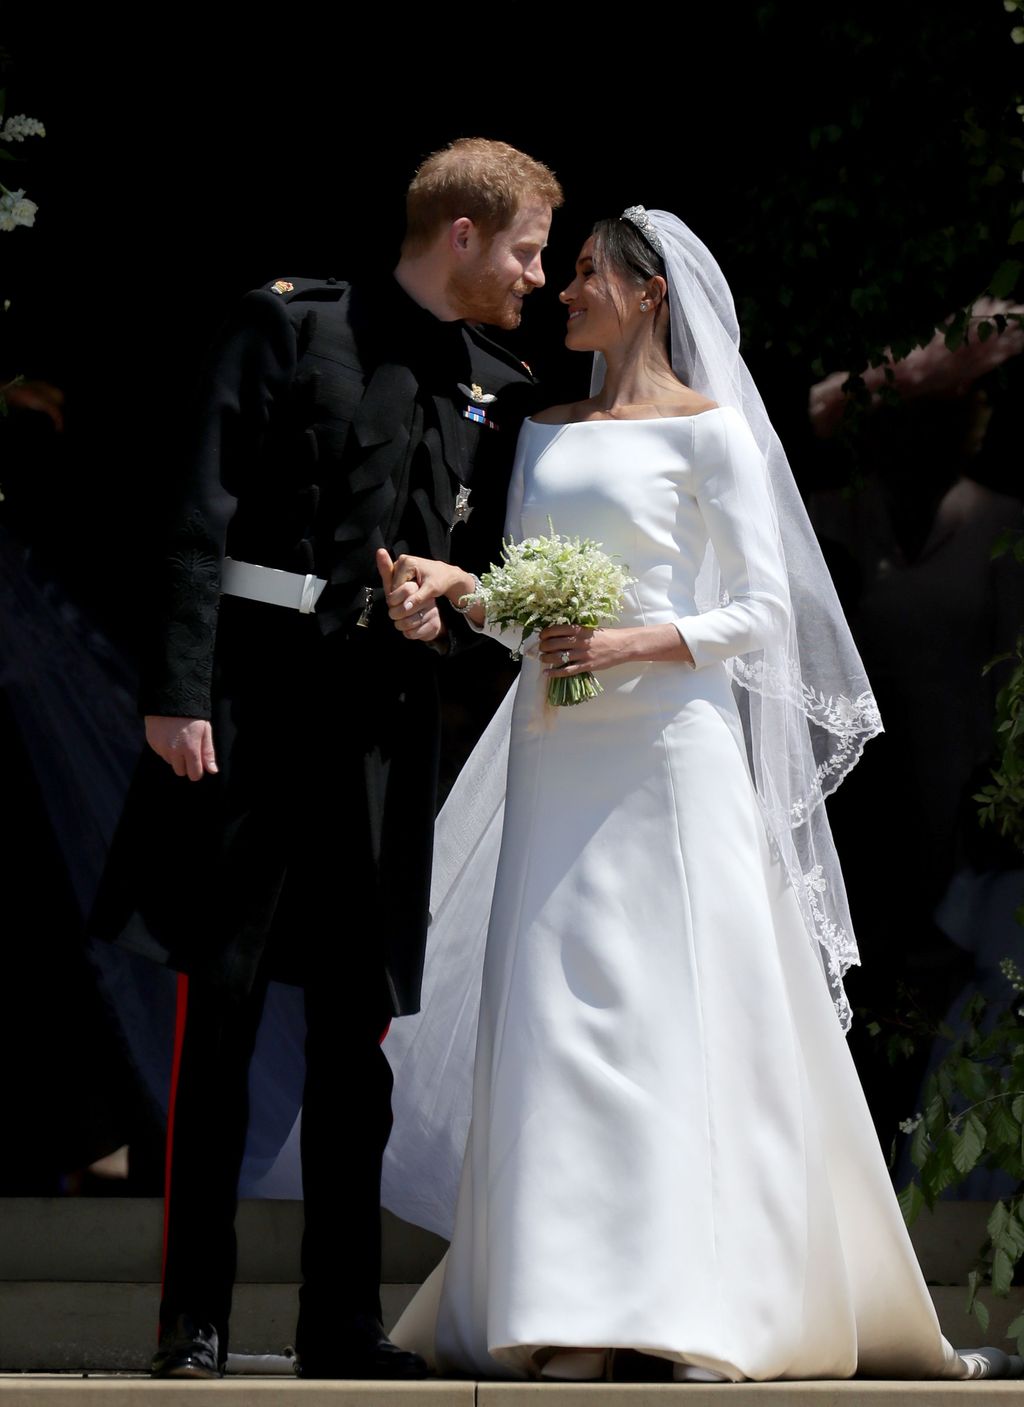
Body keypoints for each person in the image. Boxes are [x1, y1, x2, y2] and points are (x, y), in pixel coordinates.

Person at [373, 208, 1023, 1382]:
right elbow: (530, 606)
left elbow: (762, 615)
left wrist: (631, 644)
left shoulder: (714, 435)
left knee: (676, 1010)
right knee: (558, 1014)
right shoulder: (540, 435)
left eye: (583, 275)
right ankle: (558, 1304)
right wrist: (465, 590)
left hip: (670, 751)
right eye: (562, 271)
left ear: (648, 293)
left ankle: (693, 1302)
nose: (563, 291)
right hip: (554, 747)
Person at [88, 138, 563, 1380]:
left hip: (381, 732)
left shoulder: (490, 380)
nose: (537, 278)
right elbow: (196, 508)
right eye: (524, 249)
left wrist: (440, 618)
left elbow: (470, 566)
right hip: (249, 714)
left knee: (360, 1035)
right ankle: (192, 1317)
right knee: (225, 1019)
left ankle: (338, 1325)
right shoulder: (290, 326)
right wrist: (178, 691)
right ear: (459, 234)